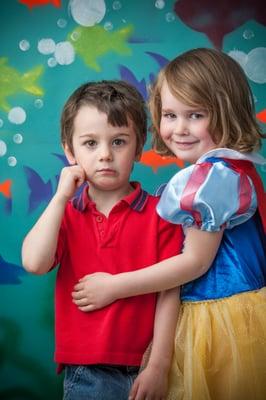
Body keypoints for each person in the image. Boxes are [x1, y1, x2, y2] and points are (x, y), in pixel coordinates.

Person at [77, 49, 266, 400]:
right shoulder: (229, 169)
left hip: (220, 320)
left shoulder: (211, 180)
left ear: (225, 113)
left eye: (195, 115)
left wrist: (115, 286)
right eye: (169, 115)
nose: (179, 129)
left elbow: (194, 263)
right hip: (225, 312)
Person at [21, 80, 184, 400]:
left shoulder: (162, 214)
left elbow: (170, 292)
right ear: (70, 150)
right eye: (90, 143)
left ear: (138, 148)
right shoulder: (65, 215)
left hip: (147, 366)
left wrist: (159, 366)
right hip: (86, 372)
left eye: (119, 141)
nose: (106, 155)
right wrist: (60, 197)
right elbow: (34, 263)